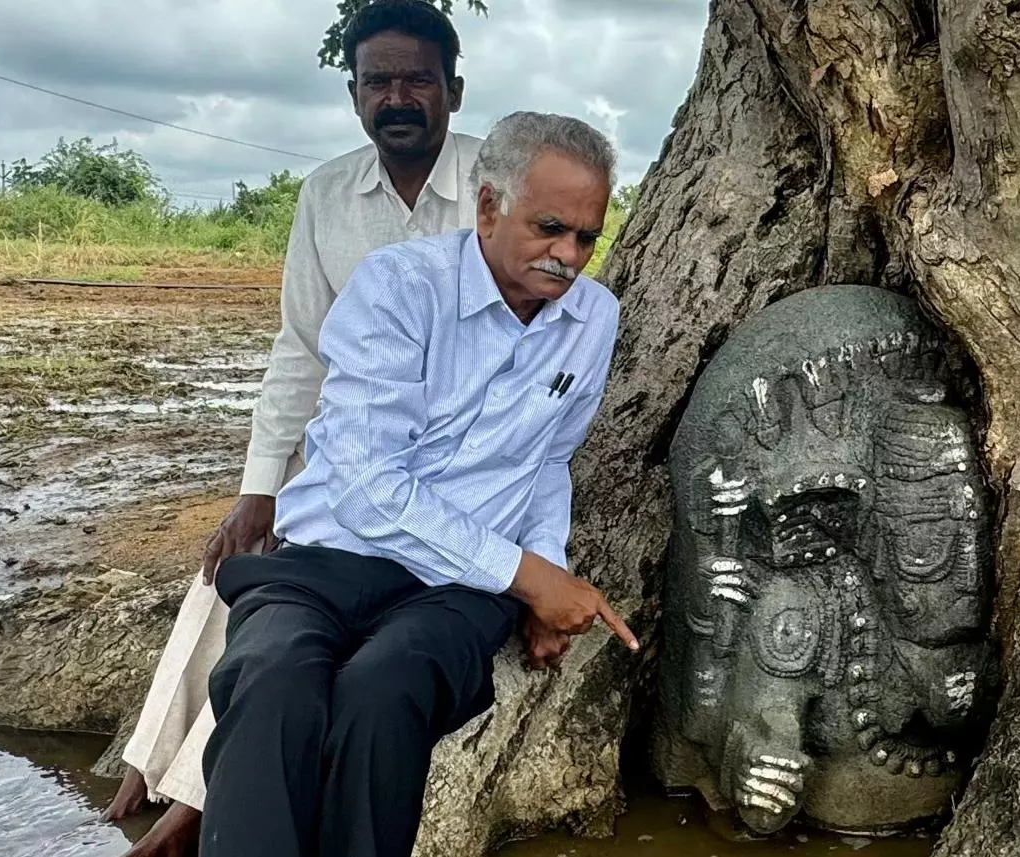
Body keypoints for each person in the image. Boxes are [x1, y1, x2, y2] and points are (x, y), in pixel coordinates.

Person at [102, 2, 499, 853]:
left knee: (320, 647)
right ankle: (161, 770)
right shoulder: (327, 195)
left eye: (417, 79)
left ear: (454, 91)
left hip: (454, 485)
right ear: (354, 95)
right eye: (377, 81)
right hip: (345, 474)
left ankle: (183, 792)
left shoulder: (500, 190)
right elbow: (301, 351)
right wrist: (259, 486)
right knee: (237, 572)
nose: (397, 96)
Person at [199, 108, 635, 857]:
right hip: (326, 560)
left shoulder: (593, 319)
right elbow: (368, 488)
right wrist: (528, 575)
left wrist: (545, 579)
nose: (568, 256)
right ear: (490, 206)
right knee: (271, 681)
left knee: (385, 690)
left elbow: (548, 460)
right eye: (549, 227)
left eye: (587, 238)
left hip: (455, 592)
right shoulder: (400, 288)